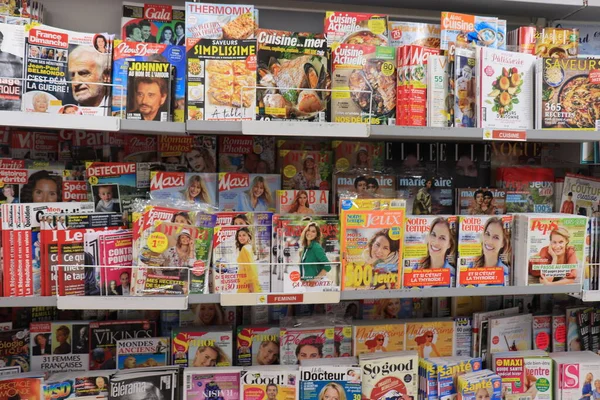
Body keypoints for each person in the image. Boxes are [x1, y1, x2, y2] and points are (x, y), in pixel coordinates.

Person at [472, 217, 511, 282]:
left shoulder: (506, 273)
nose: (489, 241)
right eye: (487, 234)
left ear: (503, 243)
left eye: (496, 237)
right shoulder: (471, 266)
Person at [235, 227, 261, 293]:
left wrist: (250, 283)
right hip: (245, 278)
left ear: (248, 236)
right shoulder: (249, 247)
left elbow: (250, 267)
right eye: (239, 235)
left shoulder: (245, 249)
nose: (241, 237)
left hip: (246, 280)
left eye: (244, 235)